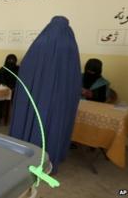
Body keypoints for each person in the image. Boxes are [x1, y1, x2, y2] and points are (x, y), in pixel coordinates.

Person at [9, 16, 82, 174]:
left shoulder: (40, 42)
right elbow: (74, 80)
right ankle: (45, 162)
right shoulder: (70, 45)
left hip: (33, 96)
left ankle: (22, 155)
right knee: (50, 125)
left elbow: (25, 73)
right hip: (58, 101)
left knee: (32, 118)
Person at [0, 54, 19, 125]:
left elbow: (19, 80)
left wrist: (12, 87)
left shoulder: (18, 69)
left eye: (13, 60)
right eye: (9, 60)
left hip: (14, 90)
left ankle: (1, 118)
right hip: (2, 89)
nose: (11, 61)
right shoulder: (3, 68)